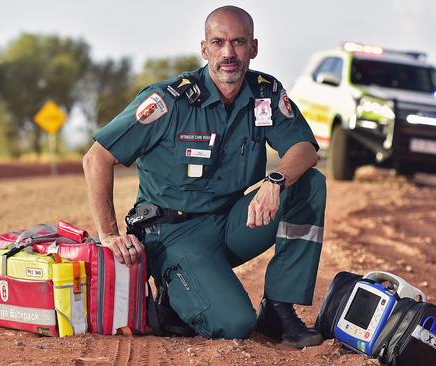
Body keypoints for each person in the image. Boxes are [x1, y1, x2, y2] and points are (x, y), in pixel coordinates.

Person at [82, 5, 326, 348]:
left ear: (253, 48)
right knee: (235, 323)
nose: (229, 53)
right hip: (172, 234)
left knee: (309, 184)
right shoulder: (169, 100)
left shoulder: (265, 93)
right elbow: (96, 159)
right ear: (204, 48)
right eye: (219, 42)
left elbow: (305, 148)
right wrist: (108, 235)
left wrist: (276, 181)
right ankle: (175, 299)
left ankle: (278, 308)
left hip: (229, 224)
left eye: (239, 42)